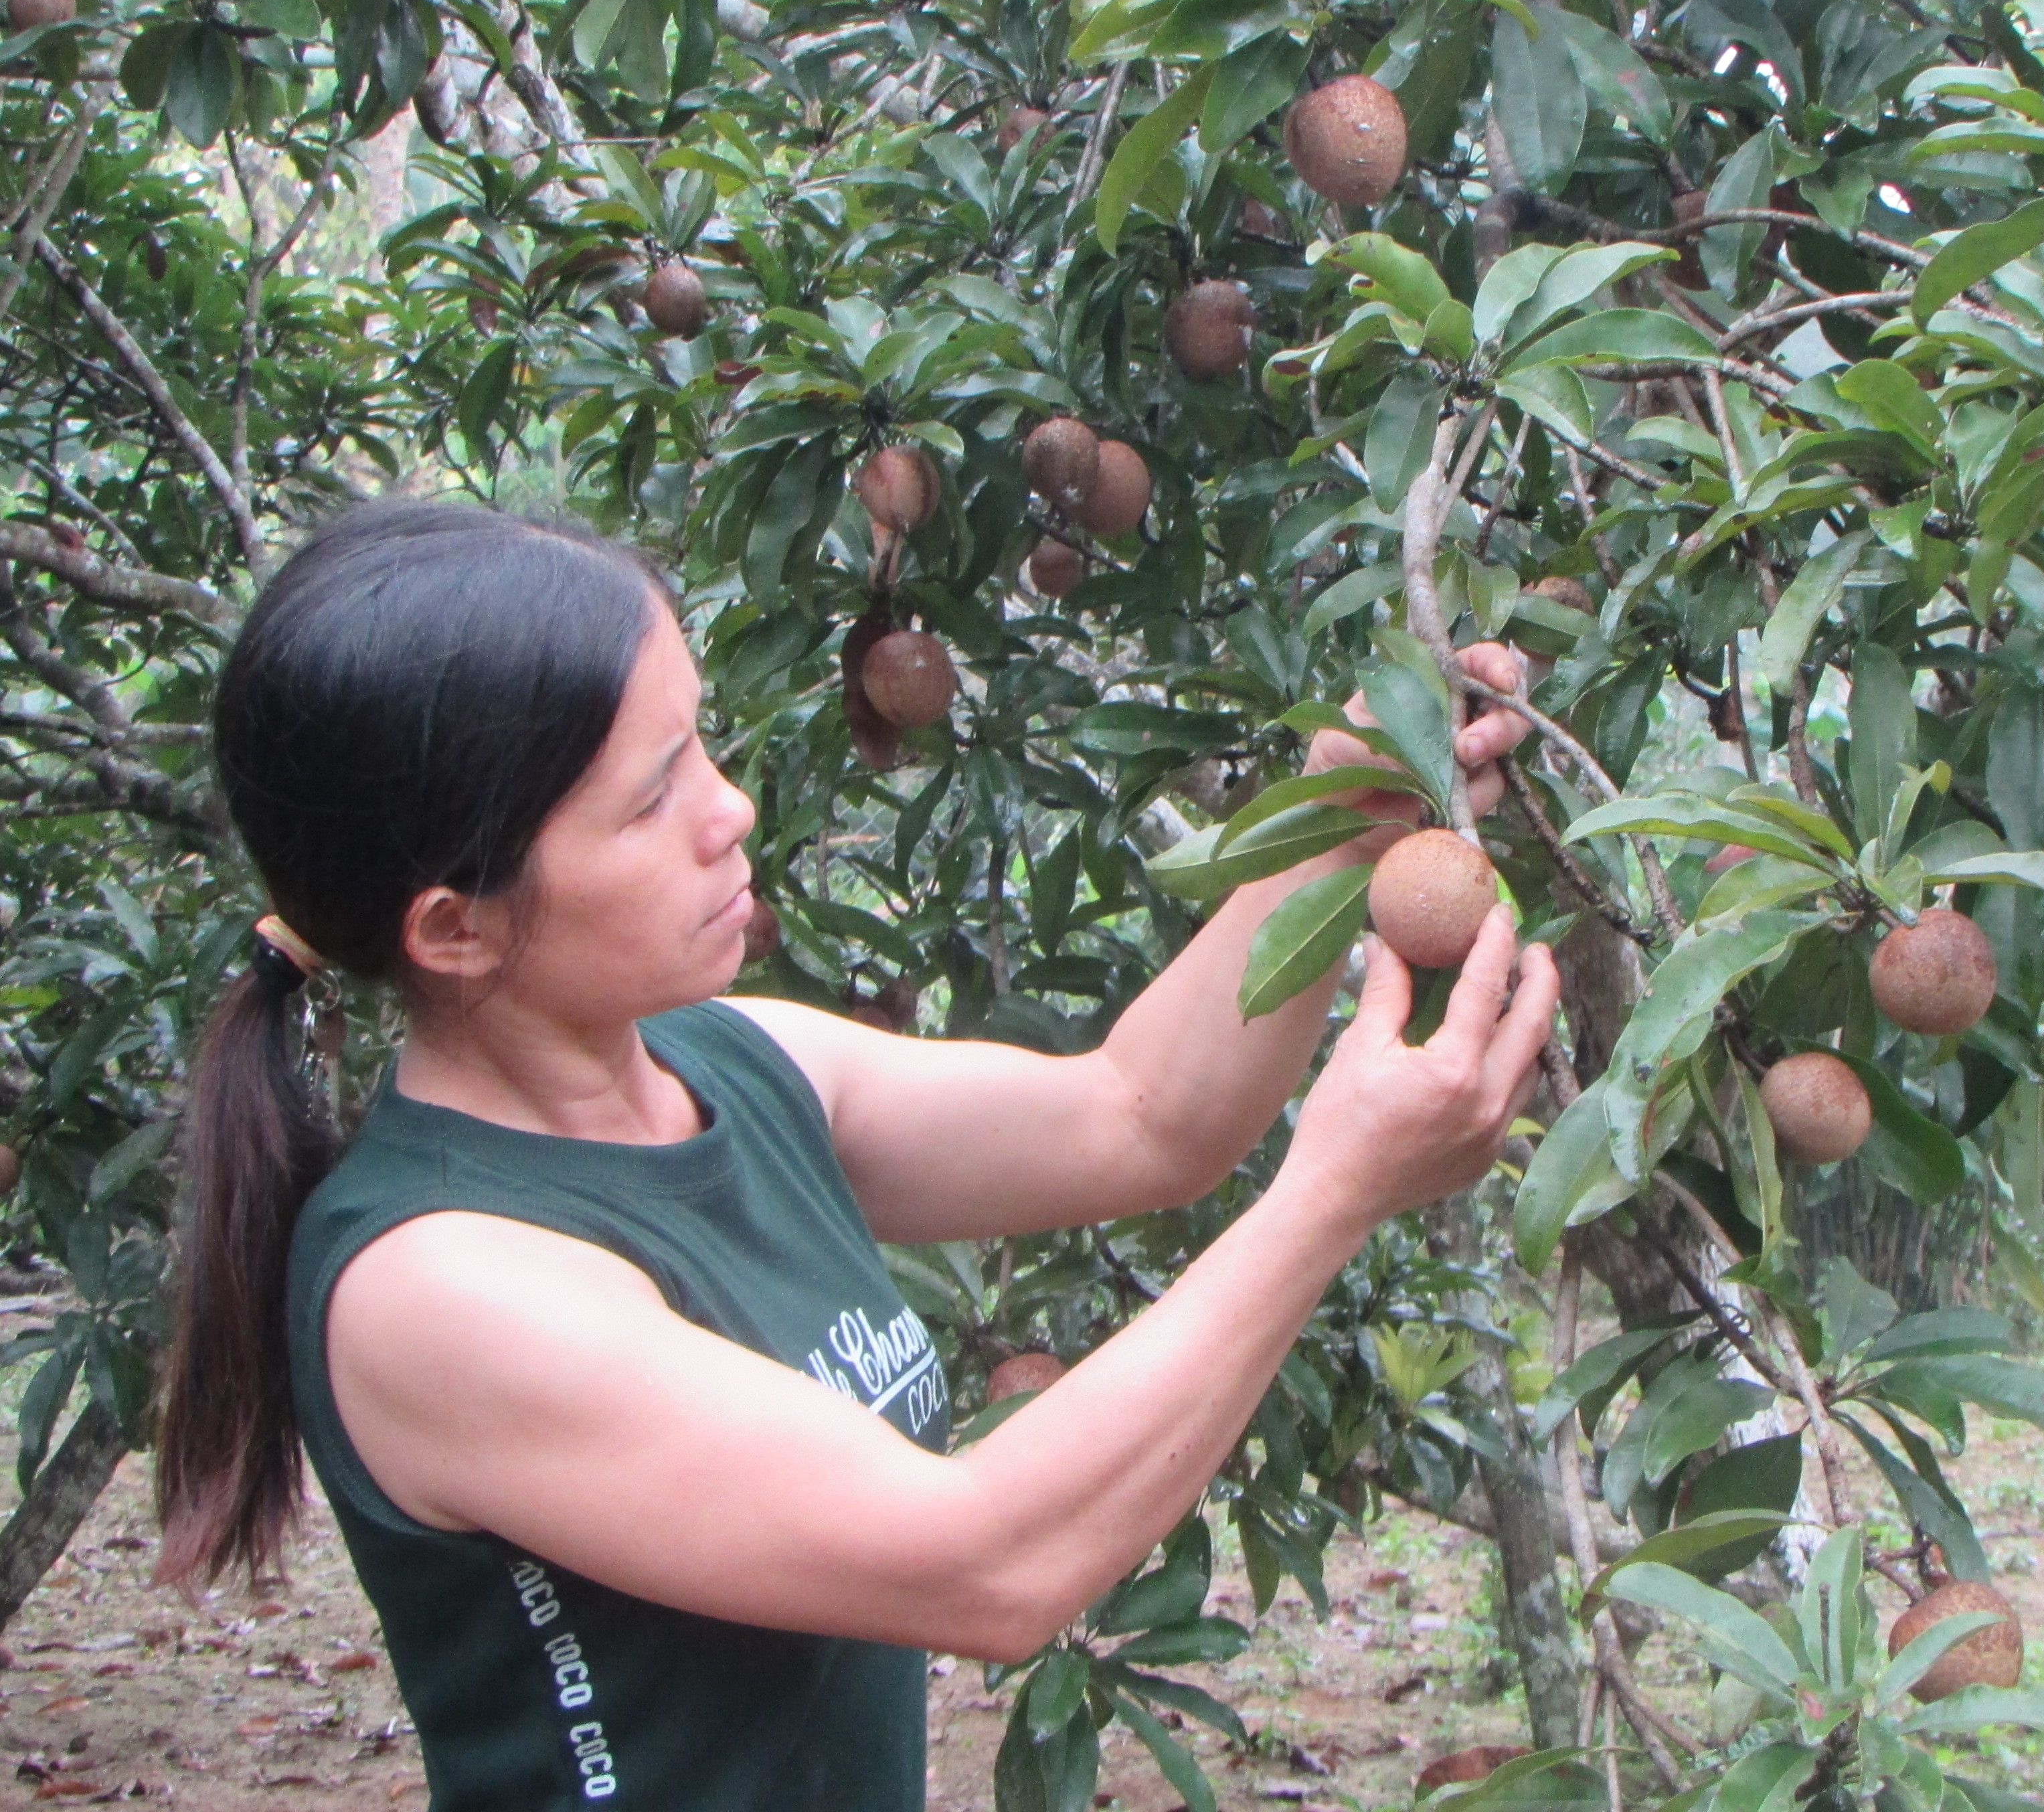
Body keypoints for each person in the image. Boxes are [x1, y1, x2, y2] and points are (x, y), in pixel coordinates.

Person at [152, 500, 1560, 1810]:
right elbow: (986, 1559)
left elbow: (1143, 1115)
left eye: (697, 742)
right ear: (455, 928)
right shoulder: (442, 1288)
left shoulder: (736, 1064)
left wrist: (1332, 822)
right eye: (650, 801)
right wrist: (1337, 1192)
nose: (732, 811)